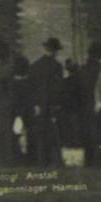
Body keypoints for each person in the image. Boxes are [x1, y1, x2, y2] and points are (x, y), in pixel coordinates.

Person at [27, 37, 65, 168]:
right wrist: (57, 104)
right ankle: (55, 161)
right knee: (54, 134)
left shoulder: (35, 66)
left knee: (40, 134)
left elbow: (31, 88)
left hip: (38, 105)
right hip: (51, 105)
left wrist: (35, 104)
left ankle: (41, 161)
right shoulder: (57, 66)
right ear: (55, 51)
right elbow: (58, 88)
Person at [79, 42, 101, 168]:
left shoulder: (82, 70)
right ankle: (98, 160)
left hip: (84, 106)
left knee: (87, 135)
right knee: (99, 134)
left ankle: (88, 161)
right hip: (99, 105)